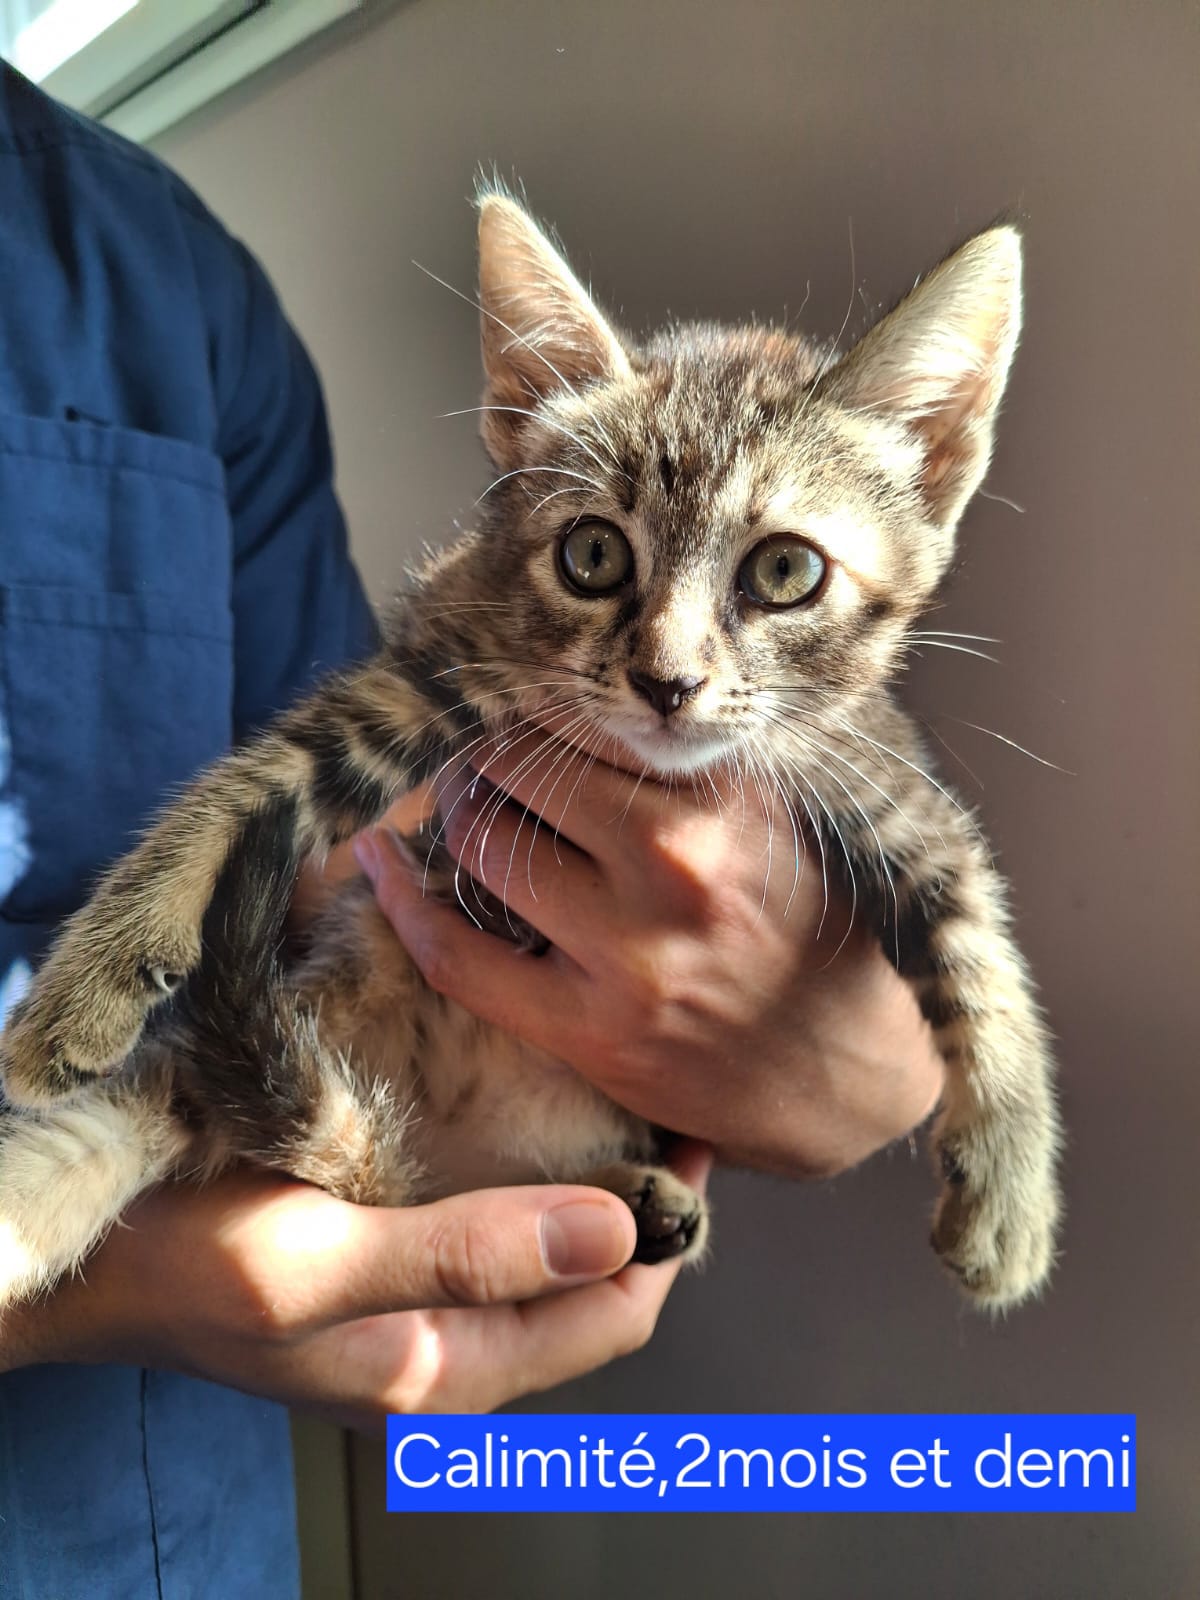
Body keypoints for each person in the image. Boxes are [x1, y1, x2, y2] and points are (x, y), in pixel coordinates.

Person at [0, 60, 941, 1599]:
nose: (673, 661)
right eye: (599, 561)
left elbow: (344, 839)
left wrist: (876, 1065)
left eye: (773, 576)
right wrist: (97, 1294)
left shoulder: (169, 274)